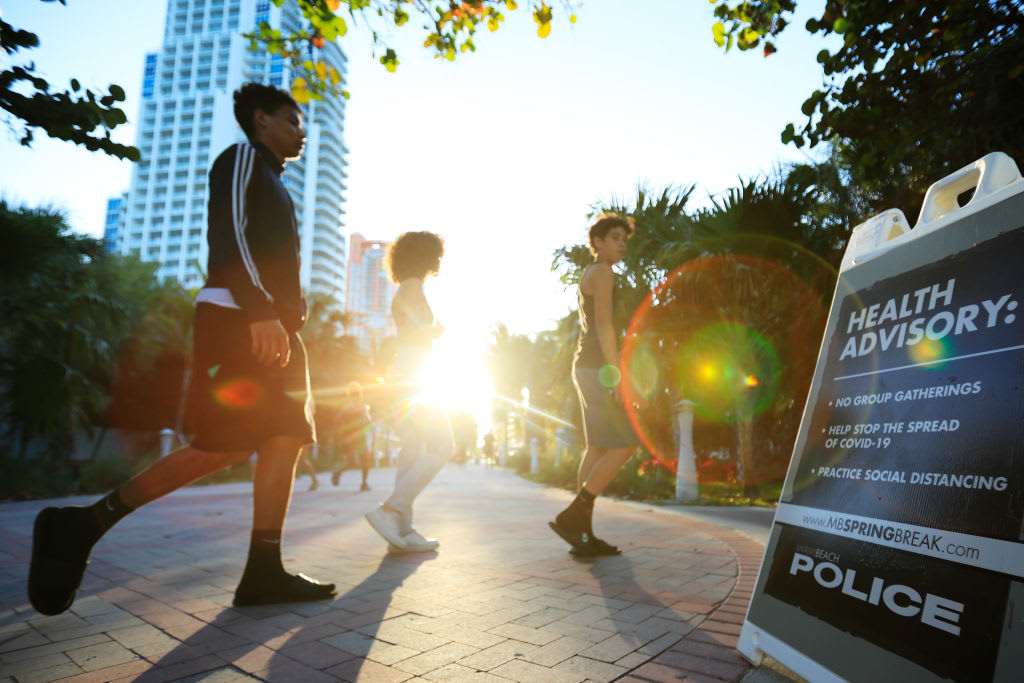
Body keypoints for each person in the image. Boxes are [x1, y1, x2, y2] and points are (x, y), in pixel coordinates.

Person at [27, 83, 336, 615]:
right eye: (292, 120)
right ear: (261, 119)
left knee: (286, 436)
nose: (301, 132)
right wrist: (261, 310)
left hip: (277, 329)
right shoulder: (242, 159)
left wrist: (287, 317)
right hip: (240, 318)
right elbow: (228, 234)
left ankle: (264, 569)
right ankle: (81, 525)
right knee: (226, 445)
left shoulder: (277, 184)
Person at [549, 214, 643, 557]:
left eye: (624, 240)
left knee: (598, 448)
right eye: (615, 238)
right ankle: (574, 518)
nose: (621, 244)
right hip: (598, 368)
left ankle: (581, 533)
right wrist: (617, 375)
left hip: (587, 366)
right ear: (597, 242)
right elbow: (604, 325)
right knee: (625, 445)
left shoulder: (592, 273)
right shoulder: (602, 271)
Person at [364, 232, 454, 553]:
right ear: (424, 256)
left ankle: (401, 533)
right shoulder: (414, 286)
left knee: (412, 450)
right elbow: (415, 334)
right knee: (444, 444)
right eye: (435, 254)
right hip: (415, 371)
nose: (439, 260)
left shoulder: (405, 286)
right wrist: (437, 330)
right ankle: (390, 511)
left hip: (405, 371)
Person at [331, 381, 373, 492]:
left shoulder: (348, 408)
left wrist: (342, 433)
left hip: (351, 437)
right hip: (358, 437)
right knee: (364, 462)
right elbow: (368, 421)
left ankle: (340, 472)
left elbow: (337, 421)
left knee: (355, 462)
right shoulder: (362, 407)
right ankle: (363, 483)